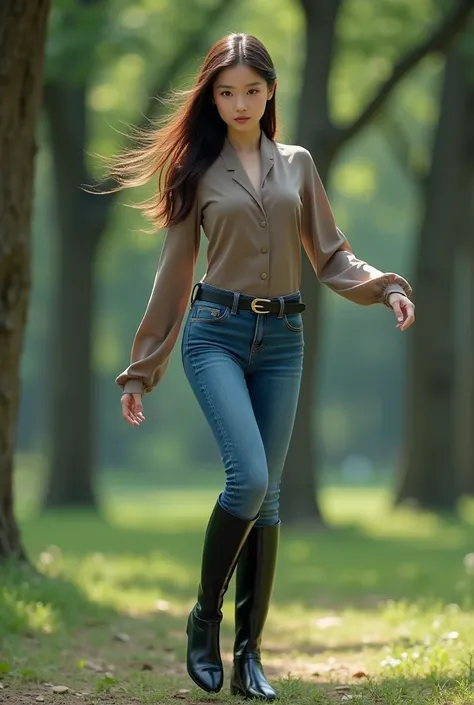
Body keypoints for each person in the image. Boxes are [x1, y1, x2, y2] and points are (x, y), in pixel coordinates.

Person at [112, 33, 415, 701]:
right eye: (226, 92)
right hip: (213, 333)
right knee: (248, 476)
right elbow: (174, 274)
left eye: (251, 90)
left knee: (270, 497)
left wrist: (386, 285)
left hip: (283, 338)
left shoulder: (299, 165)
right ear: (212, 96)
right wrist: (141, 369)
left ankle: (250, 655)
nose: (239, 102)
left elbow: (333, 254)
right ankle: (204, 618)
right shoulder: (196, 172)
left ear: (271, 90)